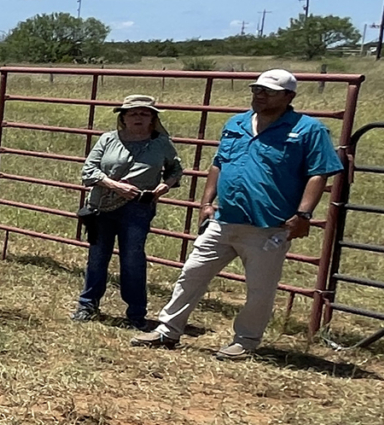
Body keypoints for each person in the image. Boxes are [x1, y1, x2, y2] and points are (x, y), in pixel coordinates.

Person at [131, 69, 344, 360]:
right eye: (257, 89)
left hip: (269, 223)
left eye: (268, 91)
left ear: (289, 96)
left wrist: (303, 214)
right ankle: (168, 330)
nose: (260, 95)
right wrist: (207, 203)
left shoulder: (308, 130)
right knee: (192, 273)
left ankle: (246, 341)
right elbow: (218, 163)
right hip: (224, 217)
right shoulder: (237, 123)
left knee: (260, 288)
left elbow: (318, 173)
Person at [74, 95, 183, 327]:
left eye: (144, 113)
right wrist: (115, 185)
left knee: (133, 259)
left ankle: (136, 314)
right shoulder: (108, 139)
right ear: (123, 117)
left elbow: (175, 169)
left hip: (138, 208)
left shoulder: (161, 143)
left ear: (153, 119)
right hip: (102, 206)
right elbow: (88, 171)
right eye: (132, 113)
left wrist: (165, 186)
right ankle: (87, 305)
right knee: (97, 257)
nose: (138, 117)